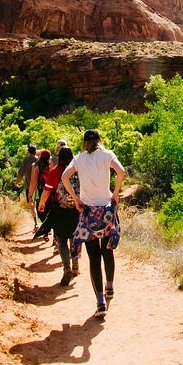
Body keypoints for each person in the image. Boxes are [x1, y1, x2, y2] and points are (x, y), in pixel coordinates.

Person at [62, 129, 125, 317]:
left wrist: (76, 199)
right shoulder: (107, 155)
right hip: (106, 210)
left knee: (94, 257)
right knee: (108, 251)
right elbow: (121, 171)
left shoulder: (79, 159)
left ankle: (100, 302)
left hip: (88, 211)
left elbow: (65, 177)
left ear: (84, 143)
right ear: (99, 140)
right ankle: (110, 287)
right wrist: (115, 195)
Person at [36, 145, 81, 285]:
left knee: (61, 240)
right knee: (74, 238)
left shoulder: (54, 172)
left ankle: (66, 267)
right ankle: (75, 266)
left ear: (59, 158)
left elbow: (46, 192)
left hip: (60, 209)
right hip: (76, 209)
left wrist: (41, 204)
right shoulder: (78, 171)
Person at [14, 145, 39, 231]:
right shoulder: (39, 159)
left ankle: (36, 223)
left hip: (29, 186)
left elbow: (20, 173)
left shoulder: (26, 160)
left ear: (28, 152)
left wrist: (17, 183)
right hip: (40, 186)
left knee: (32, 204)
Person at [31, 149, 52, 237]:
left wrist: (30, 194)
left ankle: (46, 228)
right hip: (51, 191)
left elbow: (33, 182)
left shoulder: (37, 167)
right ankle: (53, 232)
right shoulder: (52, 166)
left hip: (41, 191)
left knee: (40, 211)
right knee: (50, 210)